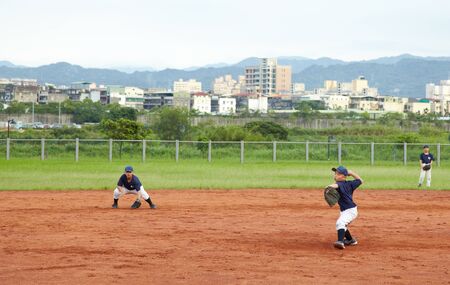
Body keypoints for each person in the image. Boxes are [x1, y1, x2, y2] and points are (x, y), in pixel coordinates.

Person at [327, 166, 363, 250]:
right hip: (349, 210)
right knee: (343, 225)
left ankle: (340, 241)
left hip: (349, 211)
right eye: (335, 173)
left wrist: (328, 187)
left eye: (338, 174)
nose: (335, 175)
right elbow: (360, 181)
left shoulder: (339, 184)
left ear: (344, 176)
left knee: (340, 223)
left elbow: (335, 186)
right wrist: (351, 173)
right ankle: (351, 240)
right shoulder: (350, 184)